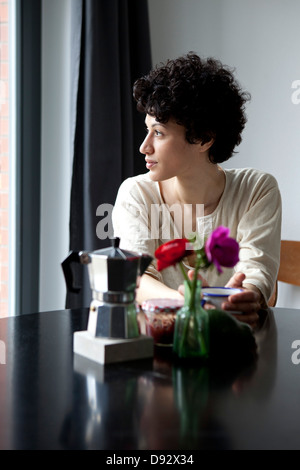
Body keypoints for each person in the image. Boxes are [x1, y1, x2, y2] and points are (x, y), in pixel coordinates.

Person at [112, 53, 282, 324]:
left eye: (159, 133)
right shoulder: (136, 193)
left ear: (203, 138)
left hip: (236, 347)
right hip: (160, 345)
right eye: (147, 130)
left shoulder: (257, 189)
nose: (144, 147)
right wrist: (194, 306)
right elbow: (137, 279)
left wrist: (246, 296)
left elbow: (256, 272)